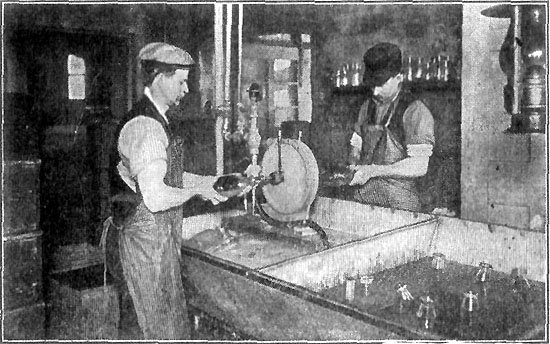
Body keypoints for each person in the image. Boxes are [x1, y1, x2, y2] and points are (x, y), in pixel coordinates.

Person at [116, 42, 227, 339]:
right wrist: (196, 193)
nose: (187, 89)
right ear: (160, 78)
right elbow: (156, 197)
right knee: (158, 327)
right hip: (145, 242)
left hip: (160, 239)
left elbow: (171, 177)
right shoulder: (145, 127)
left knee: (171, 323)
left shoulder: (161, 121)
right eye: (181, 81)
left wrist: (209, 182)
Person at [348, 43, 435, 212]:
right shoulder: (367, 107)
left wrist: (374, 171)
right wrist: (353, 161)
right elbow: (356, 142)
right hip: (364, 202)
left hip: (400, 206)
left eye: (381, 84)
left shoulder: (414, 111)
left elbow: (419, 165)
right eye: (372, 85)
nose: (375, 92)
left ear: (399, 77)